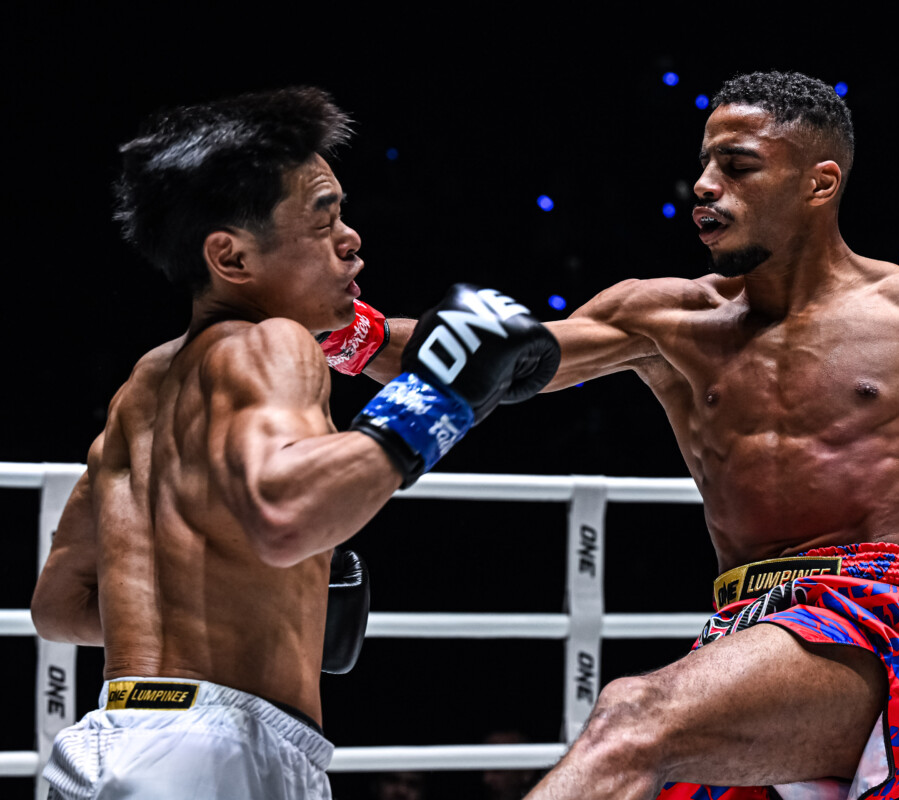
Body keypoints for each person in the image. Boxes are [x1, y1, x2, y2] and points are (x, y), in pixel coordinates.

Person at [353, 71, 899, 799]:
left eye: (737, 165)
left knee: (631, 720)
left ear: (820, 182)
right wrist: (337, 330)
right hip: (737, 628)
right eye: (705, 164)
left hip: (867, 621)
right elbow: (488, 359)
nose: (705, 186)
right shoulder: (667, 316)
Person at [29, 86, 560, 800]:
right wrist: (439, 399)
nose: (351, 238)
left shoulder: (140, 391)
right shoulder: (274, 343)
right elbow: (285, 514)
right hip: (213, 757)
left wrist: (234, 608)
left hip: (109, 735)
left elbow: (59, 605)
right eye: (322, 219)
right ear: (231, 257)